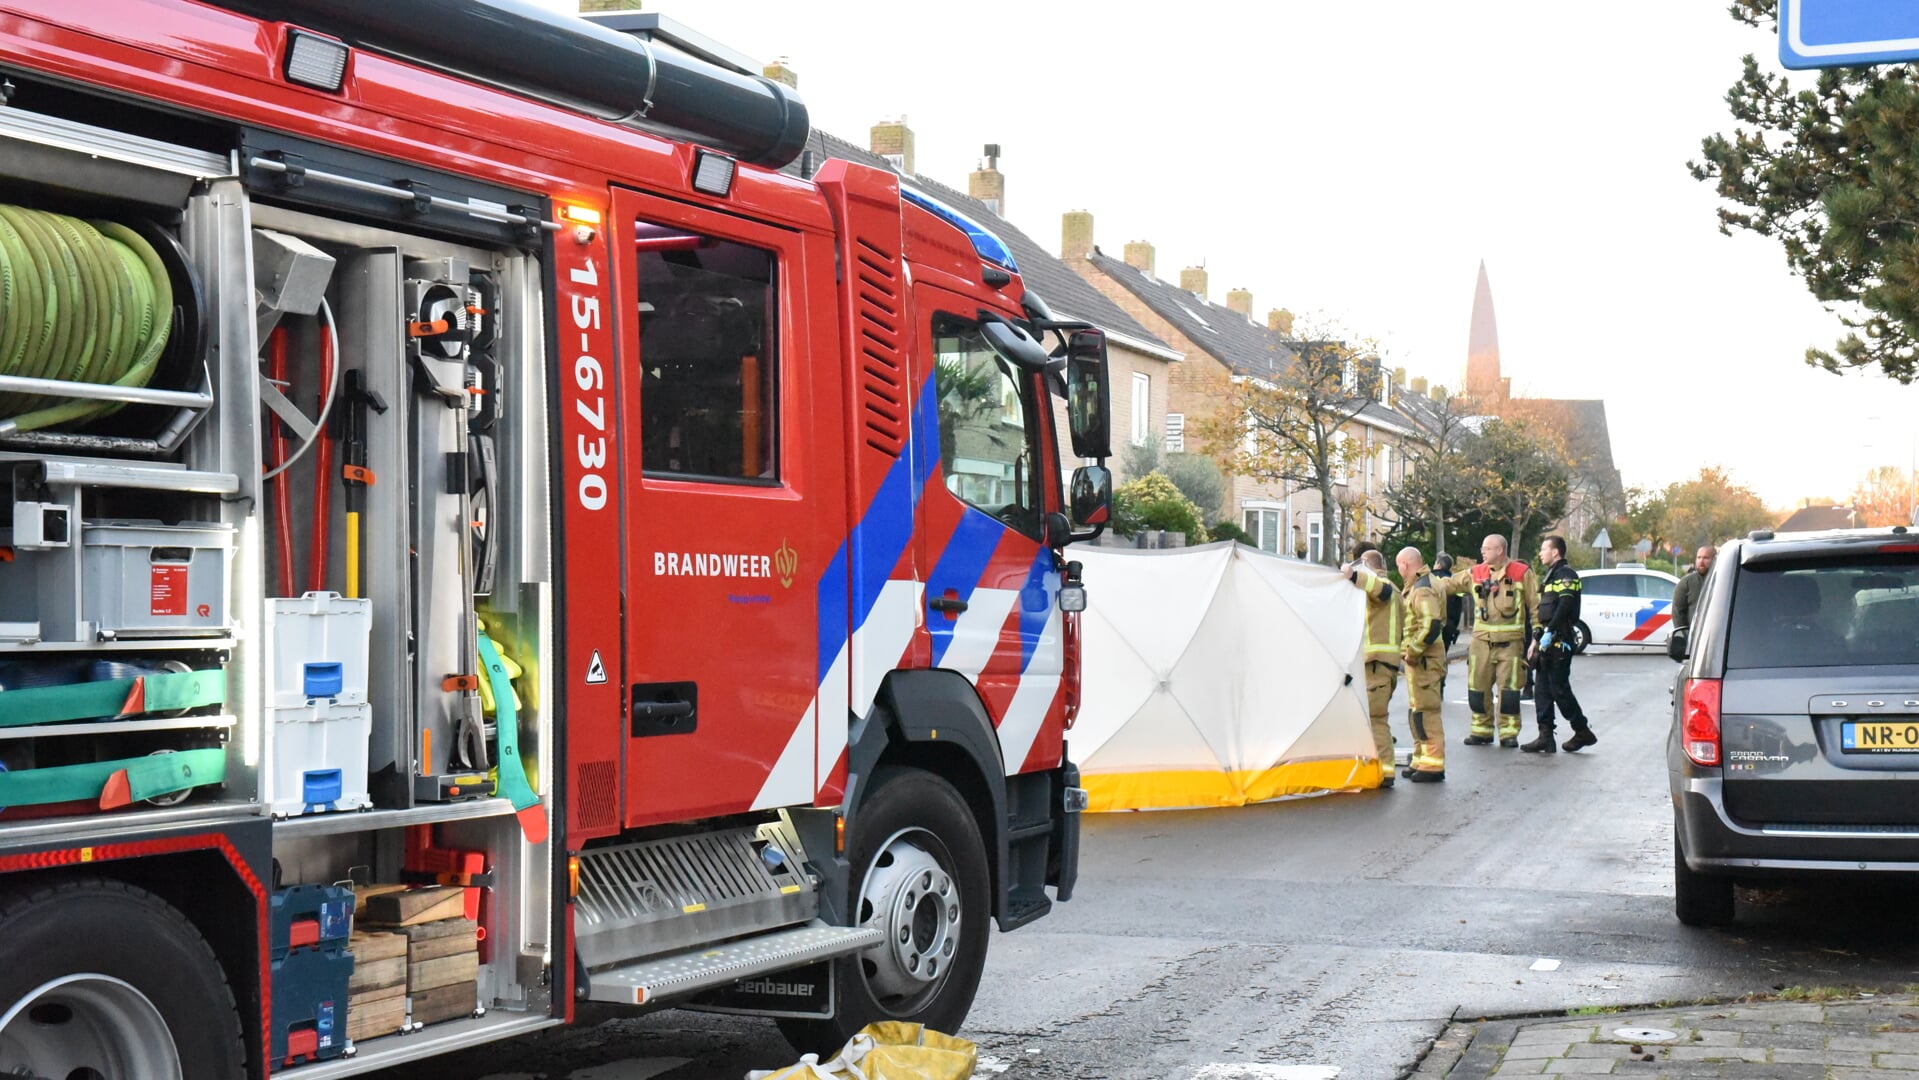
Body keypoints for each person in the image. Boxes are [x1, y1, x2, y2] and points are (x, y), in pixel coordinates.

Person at [1447, 534, 1536, 748]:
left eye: (1487, 548)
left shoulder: (1521, 573)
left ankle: (1508, 733)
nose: (1482, 551)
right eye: (1482, 548)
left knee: (1509, 691)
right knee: (1477, 689)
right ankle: (1481, 730)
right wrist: (1426, 582)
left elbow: (1535, 605)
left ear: (1500, 551)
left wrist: (1538, 635)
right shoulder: (1475, 573)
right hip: (1481, 644)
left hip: (1510, 644)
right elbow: (1448, 585)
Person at [1522, 534, 1596, 753]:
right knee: (1542, 690)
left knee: (1559, 689)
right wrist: (1537, 638)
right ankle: (1545, 736)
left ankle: (1582, 730)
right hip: (1548, 641)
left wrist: (1550, 632)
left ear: (1555, 552)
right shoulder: (1551, 576)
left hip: (1560, 641)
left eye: (1544, 549)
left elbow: (1564, 606)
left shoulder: (1566, 575)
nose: (1540, 553)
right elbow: (1544, 611)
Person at [1342, 548, 1401, 788]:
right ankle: (1378, 768)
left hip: (1376, 662)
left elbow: (1380, 590)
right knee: (1375, 718)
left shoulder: (1383, 586)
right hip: (1384, 663)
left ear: (1367, 564)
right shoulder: (1396, 589)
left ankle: (1385, 771)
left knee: (1376, 719)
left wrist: (1353, 575)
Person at [1396, 546, 1448, 782]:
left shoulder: (1422, 588)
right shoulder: (1422, 584)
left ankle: (1433, 764)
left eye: (1399, 567)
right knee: (1417, 710)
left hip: (1425, 660)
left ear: (1405, 564)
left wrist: (1413, 652)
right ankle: (1422, 758)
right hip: (1422, 661)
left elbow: (1431, 625)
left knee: (1426, 712)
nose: (1399, 572)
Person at [1671, 545, 1716, 634]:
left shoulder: (1722, 580)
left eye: (1706, 558)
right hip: (1694, 637)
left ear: (1714, 560)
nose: (1701, 561)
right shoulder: (1686, 583)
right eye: (1699, 557)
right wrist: (1685, 635)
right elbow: (1678, 613)